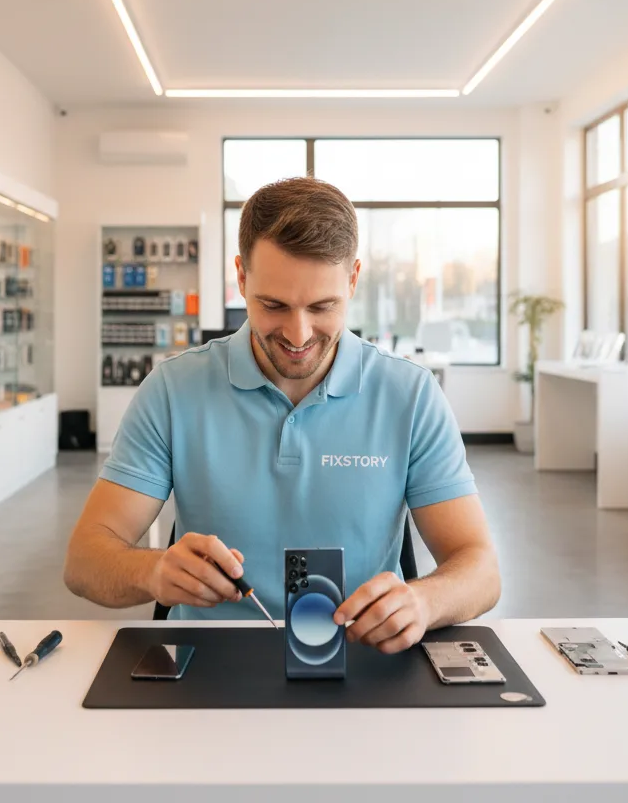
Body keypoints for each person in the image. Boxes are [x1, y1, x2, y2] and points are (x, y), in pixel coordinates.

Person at [65, 177, 500, 653]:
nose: (298, 333)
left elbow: (480, 568)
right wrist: (152, 571)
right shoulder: (173, 390)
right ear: (242, 278)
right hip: (211, 666)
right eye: (273, 305)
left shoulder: (410, 396)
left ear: (353, 279)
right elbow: (85, 560)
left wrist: (425, 602)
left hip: (364, 661)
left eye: (322, 306)